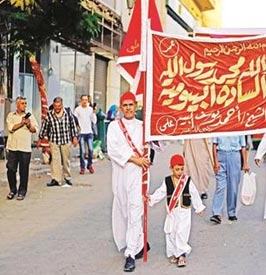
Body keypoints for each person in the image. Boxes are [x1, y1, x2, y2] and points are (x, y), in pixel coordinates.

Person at [106, 91, 151, 272]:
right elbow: (113, 150)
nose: (128, 108)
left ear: (136, 106)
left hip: (138, 177)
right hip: (121, 176)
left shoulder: (143, 126)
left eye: (131, 105)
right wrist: (134, 159)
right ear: (121, 107)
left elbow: (157, 145)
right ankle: (139, 242)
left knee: (135, 211)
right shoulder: (114, 127)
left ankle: (130, 254)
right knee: (124, 211)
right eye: (125, 105)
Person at [148, 154, 205, 268]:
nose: (180, 172)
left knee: (181, 232)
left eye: (182, 169)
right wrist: (151, 199)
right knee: (172, 232)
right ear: (171, 168)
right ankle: (175, 253)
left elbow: (194, 194)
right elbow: (161, 192)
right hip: (172, 212)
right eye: (177, 169)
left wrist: (199, 207)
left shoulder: (187, 181)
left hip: (184, 211)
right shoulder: (167, 181)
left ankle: (182, 255)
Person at [38, 96, 78, 187]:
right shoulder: (49, 114)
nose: (57, 108)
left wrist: (75, 137)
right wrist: (40, 138)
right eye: (55, 106)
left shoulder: (67, 113)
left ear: (62, 105)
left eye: (59, 106)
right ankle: (56, 179)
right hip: (54, 140)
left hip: (66, 140)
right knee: (55, 161)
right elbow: (45, 127)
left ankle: (67, 178)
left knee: (65, 160)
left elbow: (73, 125)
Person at [210, 136, 249, 224]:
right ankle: (216, 213)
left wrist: (245, 163)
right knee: (220, 185)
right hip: (221, 155)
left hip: (234, 155)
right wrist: (215, 161)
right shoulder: (220, 126)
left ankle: (231, 212)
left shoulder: (238, 127)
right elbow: (214, 145)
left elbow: (243, 146)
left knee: (233, 186)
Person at [5, 96, 38, 200]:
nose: (24, 106)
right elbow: (11, 128)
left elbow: (34, 130)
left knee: (24, 171)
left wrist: (28, 125)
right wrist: (21, 123)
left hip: (25, 148)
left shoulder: (30, 117)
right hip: (13, 147)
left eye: (25, 103)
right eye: (22, 103)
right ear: (17, 105)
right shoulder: (11, 116)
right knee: (11, 169)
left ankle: (22, 191)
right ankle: (12, 189)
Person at [74, 94, 97, 174]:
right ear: (81, 101)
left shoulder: (90, 109)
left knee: (91, 150)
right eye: (83, 100)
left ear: (88, 101)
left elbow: (94, 121)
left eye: (86, 100)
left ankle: (89, 165)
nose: (84, 101)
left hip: (89, 132)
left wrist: (94, 112)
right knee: (82, 151)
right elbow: (74, 120)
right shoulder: (77, 109)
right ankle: (82, 167)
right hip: (81, 133)